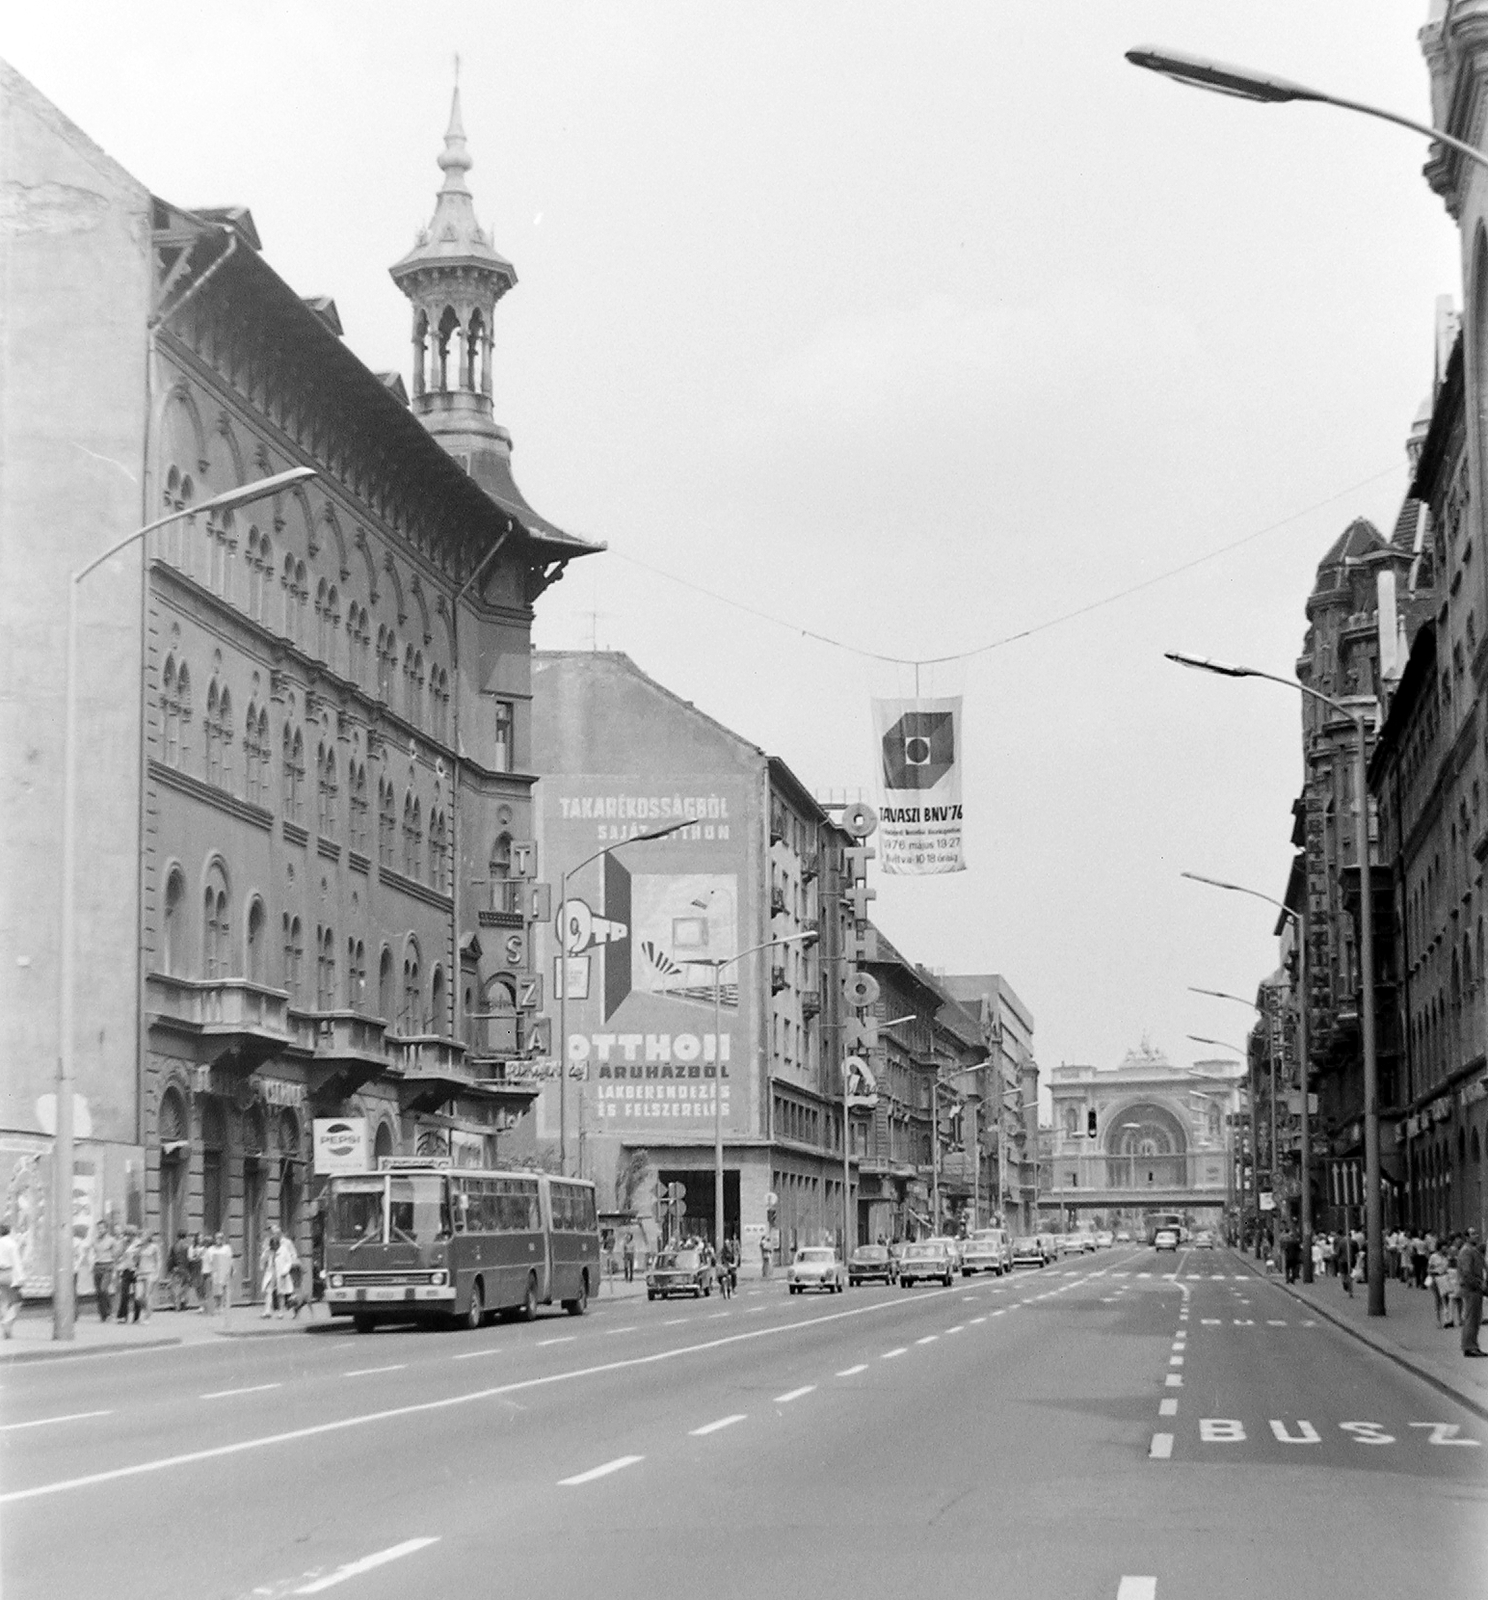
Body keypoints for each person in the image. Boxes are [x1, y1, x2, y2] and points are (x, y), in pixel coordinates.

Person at [1457, 1228, 1486, 1358]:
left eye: (1476, 1233)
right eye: (1473, 1234)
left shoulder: (1472, 1250)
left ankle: (1472, 1345)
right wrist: (1479, 1284)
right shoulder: (1466, 1251)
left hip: (1475, 1289)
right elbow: (1467, 1272)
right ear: (1467, 1237)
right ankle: (1469, 1346)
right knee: (1472, 1318)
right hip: (1471, 1289)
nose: (1476, 1235)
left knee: (1475, 1318)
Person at [204, 1231, 234, 1321]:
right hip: (215, 1270)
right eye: (217, 1238)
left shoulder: (227, 1248)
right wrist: (207, 1271)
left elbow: (230, 1259)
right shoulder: (211, 1250)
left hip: (224, 1269)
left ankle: (223, 1306)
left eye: (221, 1238)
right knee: (216, 1290)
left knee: (224, 1288)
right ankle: (217, 1306)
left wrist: (231, 1270)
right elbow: (207, 1261)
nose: (219, 1240)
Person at [92, 1222, 119, 1322]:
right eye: (98, 1228)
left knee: (103, 1289)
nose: (100, 1230)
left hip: (107, 1266)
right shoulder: (95, 1240)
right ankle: (102, 1315)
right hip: (97, 1266)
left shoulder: (111, 1240)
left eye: (102, 1228)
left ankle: (109, 1312)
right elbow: (93, 1253)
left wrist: (115, 1269)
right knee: (98, 1291)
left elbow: (115, 1255)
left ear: (106, 1229)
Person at [134, 1231, 161, 1322]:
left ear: (148, 1237)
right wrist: (136, 1253)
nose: (141, 1238)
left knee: (147, 1295)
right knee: (138, 1296)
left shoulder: (154, 1247)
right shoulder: (139, 1248)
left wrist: (157, 1274)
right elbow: (136, 1261)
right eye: (140, 1236)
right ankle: (148, 1309)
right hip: (140, 1273)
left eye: (143, 1236)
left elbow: (158, 1260)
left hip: (150, 1272)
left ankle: (147, 1316)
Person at [0, 1222, 20, 1340]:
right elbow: (16, 1262)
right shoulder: (11, 1244)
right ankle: (7, 1321)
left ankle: (4, 1319)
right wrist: (20, 1278)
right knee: (16, 1301)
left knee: (3, 1300)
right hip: (8, 1273)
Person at [115, 1227, 140, 1322]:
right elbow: (117, 1255)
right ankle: (122, 1315)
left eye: (130, 1235)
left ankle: (136, 1316)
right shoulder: (123, 1243)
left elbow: (140, 1257)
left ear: (134, 1235)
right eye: (127, 1235)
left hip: (137, 1271)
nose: (128, 1237)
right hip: (126, 1270)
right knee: (124, 1293)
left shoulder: (139, 1243)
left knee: (137, 1294)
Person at [1428, 1240, 1450, 1327]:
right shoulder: (1434, 1257)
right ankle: (1439, 1320)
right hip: (1436, 1278)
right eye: (1445, 1246)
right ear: (1440, 1247)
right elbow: (1429, 1269)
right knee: (1438, 1299)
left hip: (1445, 1277)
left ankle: (1447, 1318)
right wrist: (1432, 1276)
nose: (1446, 1248)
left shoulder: (1446, 1257)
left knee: (1446, 1298)